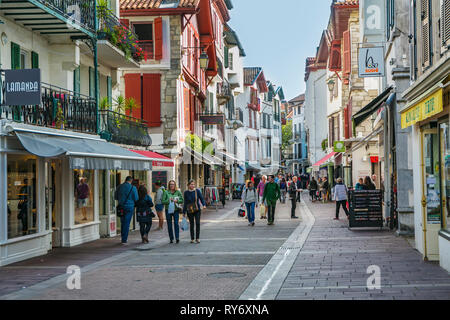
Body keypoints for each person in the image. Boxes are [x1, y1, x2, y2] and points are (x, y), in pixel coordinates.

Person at [115, 176, 138, 244]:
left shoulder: (119, 186)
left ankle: (123, 236)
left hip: (121, 207)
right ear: (131, 181)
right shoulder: (133, 188)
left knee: (123, 222)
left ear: (125, 180)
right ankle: (124, 239)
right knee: (127, 223)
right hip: (129, 207)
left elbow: (115, 197)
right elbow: (136, 198)